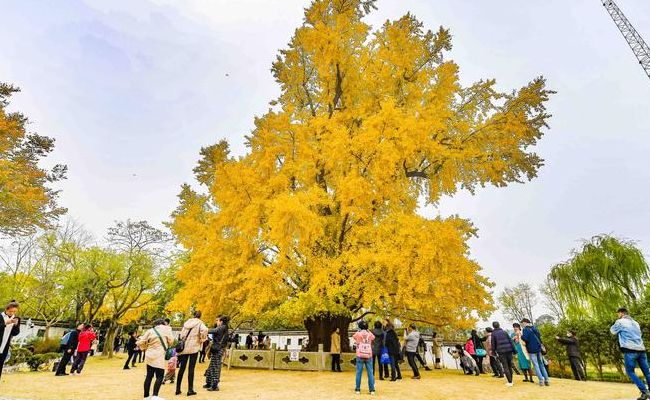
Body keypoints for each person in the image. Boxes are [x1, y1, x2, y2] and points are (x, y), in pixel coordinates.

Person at [611, 307, 650, 400]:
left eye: (618, 314)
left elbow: (612, 331)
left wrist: (617, 323)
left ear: (621, 313)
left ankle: (645, 392)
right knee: (647, 373)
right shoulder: (636, 323)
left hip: (630, 350)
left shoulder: (620, 322)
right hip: (641, 349)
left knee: (630, 372)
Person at [137, 318, 173, 400]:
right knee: (160, 376)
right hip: (159, 355)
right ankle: (155, 395)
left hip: (149, 354)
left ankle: (146, 396)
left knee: (149, 376)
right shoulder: (167, 329)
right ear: (163, 323)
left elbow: (140, 342)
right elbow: (171, 341)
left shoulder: (150, 330)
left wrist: (144, 347)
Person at [176, 311, 208, 396]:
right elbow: (205, 330)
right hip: (194, 347)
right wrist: (202, 339)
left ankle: (177, 389)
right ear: (200, 316)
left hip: (185, 347)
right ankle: (190, 390)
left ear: (194, 315)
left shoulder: (187, 323)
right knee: (191, 369)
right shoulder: (200, 323)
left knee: (182, 368)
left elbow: (182, 334)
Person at [520, 318, 550, 387]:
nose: (522, 324)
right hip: (538, 349)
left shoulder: (525, 330)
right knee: (541, 365)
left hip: (532, 350)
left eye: (522, 323)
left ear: (525, 322)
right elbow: (539, 336)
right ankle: (547, 380)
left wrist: (521, 336)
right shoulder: (534, 328)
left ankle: (541, 381)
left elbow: (525, 339)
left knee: (536, 365)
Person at [205, 315, 229, 391]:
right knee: (212, 366)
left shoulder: (222, 327)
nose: (216, 322)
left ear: (221, 321)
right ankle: (209, 383)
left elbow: (211, 331)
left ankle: (214, 385)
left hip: (218, 349)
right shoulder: (224, 328)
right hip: (218, 349)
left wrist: (202, 328)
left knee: (216, 367)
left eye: (217, 321)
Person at [352, 321, 375, 395]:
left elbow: (354, 336)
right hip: (369, 355)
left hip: (360, 355)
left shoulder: (358, 334)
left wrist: (358, 330)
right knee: (370, 373)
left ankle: (358, 389)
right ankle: (372, 390)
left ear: (359, 327)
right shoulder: (369, 334)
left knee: (359, 372)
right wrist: (368, 331)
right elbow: (373, 337)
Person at [490, 321, 516, 387]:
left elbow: (493, 344)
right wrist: (514, 350)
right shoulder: (504, 332)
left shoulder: (493, 334)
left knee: (505, 366)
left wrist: (493, 352)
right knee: (509, 366)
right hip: (509, 350)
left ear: (493, 326)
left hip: (501, 351)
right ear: (499, 325)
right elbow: (510, 341)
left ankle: (510, 382)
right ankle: (511, 380)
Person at [0, 301, 20, 380]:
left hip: (4, 347)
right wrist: (6, 323)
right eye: (10, 311)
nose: (12, 313)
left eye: (14, 311)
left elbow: (15, 333)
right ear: (6, 309)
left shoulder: (16, 318)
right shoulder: (0, 316)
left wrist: (15, 326)